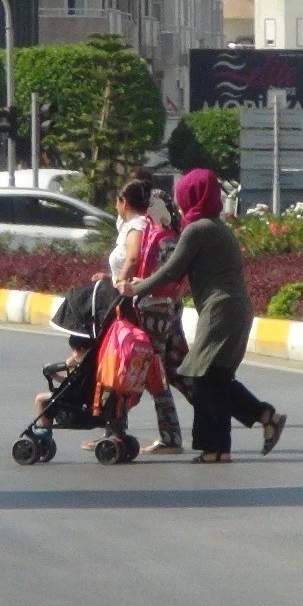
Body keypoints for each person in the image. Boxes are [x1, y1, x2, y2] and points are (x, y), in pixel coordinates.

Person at [122, 168, 287, 463]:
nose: (179, 202)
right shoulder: (217, 227)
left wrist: (137, 289)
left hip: (220, 309)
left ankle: (219, 445)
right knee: (215, 376)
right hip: (234, 308)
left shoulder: (197, 230)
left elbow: (172, 270)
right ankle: (252, 426)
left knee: (204, 376)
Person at [82, 179, 183, 454]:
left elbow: (140, 263)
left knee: (136, 367)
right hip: (143, 305)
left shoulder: (148, 231)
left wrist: (125, 284)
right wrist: (114, 279)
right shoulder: (148, 230)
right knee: (133, 366)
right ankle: (117, 431)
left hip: (147, 308)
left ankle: (130, 432)